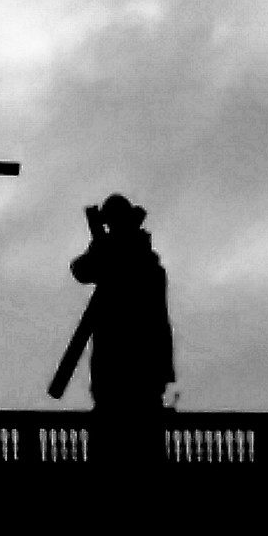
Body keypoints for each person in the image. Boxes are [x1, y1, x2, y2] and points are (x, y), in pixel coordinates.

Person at [66, 195, 174, 468]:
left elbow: (84, 269)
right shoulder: (141, 262)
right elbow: (81, 270)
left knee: (122, 415)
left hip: (128, 355)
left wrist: (103, 250)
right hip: (130, 356)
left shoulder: (138, 264)